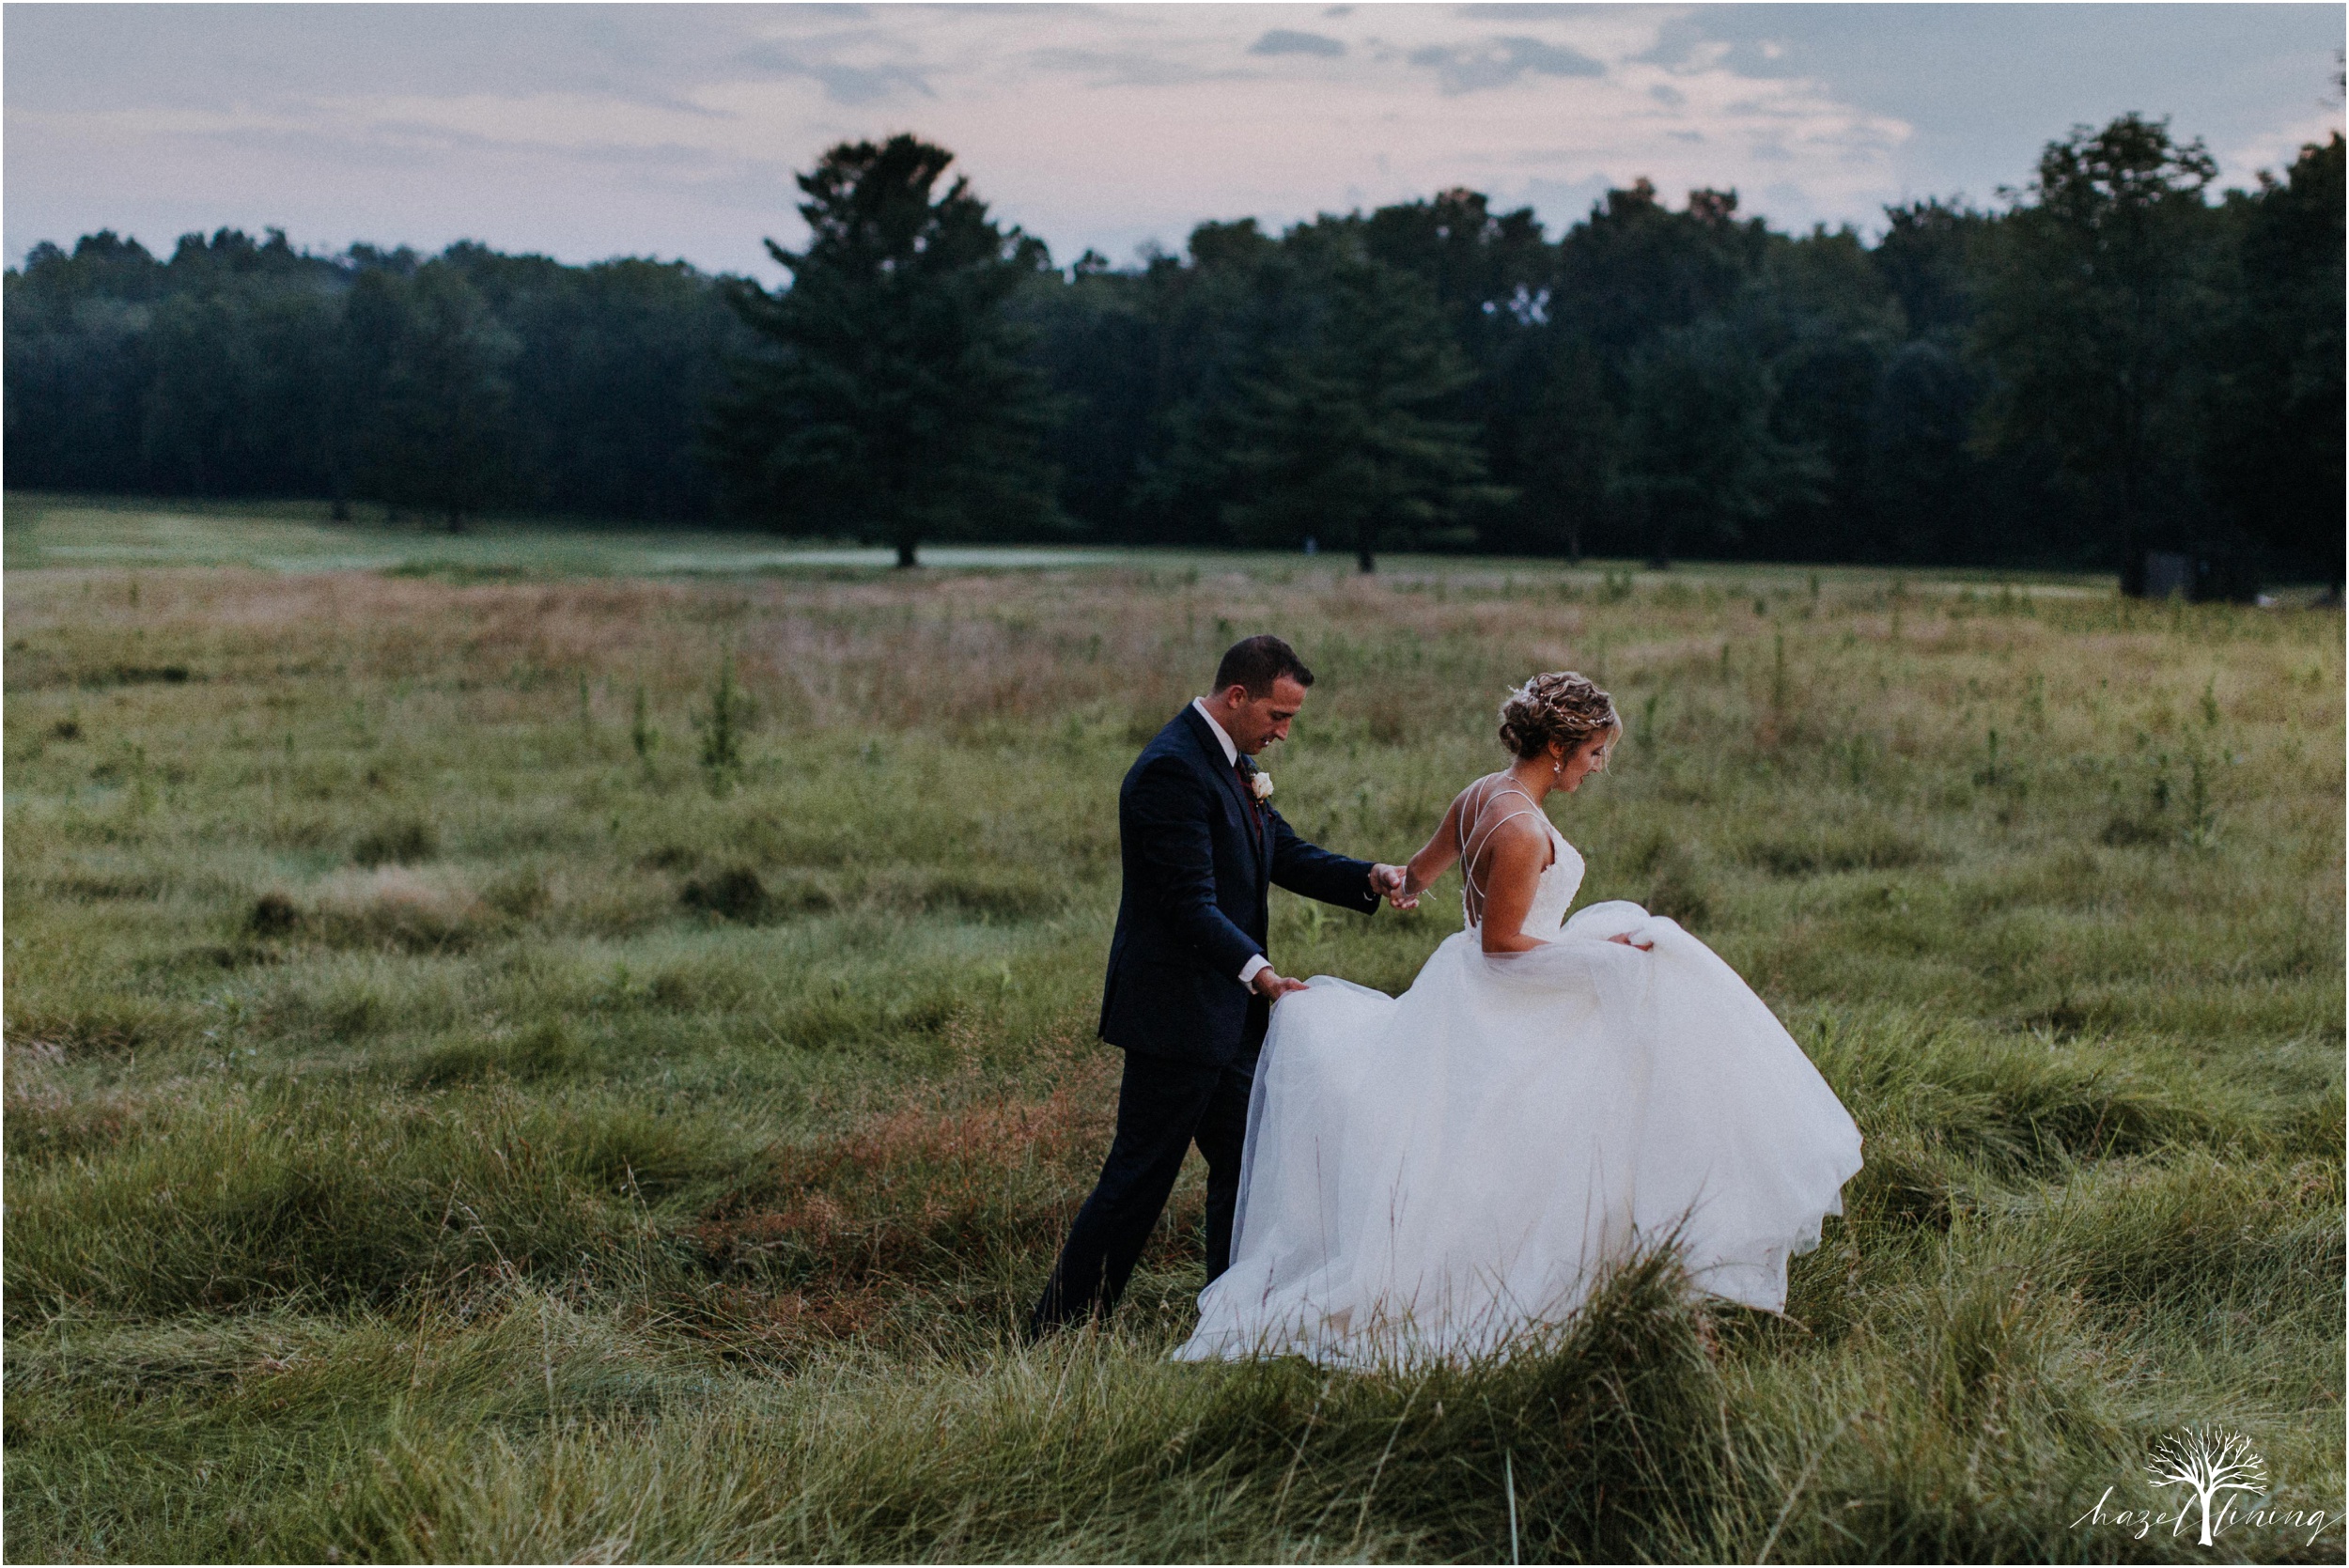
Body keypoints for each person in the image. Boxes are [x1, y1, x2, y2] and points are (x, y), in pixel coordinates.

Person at [1174, 671, 1863, 1365]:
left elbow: (1419, 873)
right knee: (1543, 1134)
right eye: (1595, 752)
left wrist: (1401, 886)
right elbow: (1505, 944)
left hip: (1465, 983)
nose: (1599, 767)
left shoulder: (1480, 794)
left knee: (1470, 1144)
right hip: (1505, 996)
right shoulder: (1524, 829)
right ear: (1560, 747)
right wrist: (1602, 958)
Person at [1029, 635, 1410, 1336]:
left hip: (1226, 1018)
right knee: (1139, 1178)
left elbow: (1282, 850)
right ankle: (1056, 1329)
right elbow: (1187, 903)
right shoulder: (1172, 771)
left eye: (1291, 719)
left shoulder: (1233, 762)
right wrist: (1260, 973)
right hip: (1175, 1015)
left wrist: (1368, 875)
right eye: (1278, 715)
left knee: (1249, 1164)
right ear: (1237, 696)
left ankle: (1231, 1314)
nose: (1284, 733)